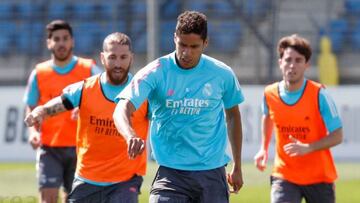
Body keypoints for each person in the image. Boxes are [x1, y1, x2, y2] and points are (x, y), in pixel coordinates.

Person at [113, 10, 244, 203]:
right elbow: (121, 108)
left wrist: (238, 166)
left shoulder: (222, 74)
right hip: (170, 174)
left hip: (212, 173)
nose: (186, 52)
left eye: (194, 46)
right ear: (174, 38)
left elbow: (233, 115)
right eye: (182, 44)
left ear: (205, 43)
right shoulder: (155, 71)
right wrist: (130, 135)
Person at [25, 32, 149, 203]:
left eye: (123, 57)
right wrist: (41, 111)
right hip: (87, 180)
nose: (118, 64)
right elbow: (60, 103)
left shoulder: (142, 92)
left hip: (125, 181)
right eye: (112, 57)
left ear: (131, 58)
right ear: (103, 58)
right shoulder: (85, 89)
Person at [254, 34, 343, 203]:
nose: (292, 65)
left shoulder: (319, 94)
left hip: (319, 177)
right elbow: (267, 117)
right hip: (284, 175)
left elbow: (337, 135)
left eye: (298, 60)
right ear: (280, 63)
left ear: (306, 64)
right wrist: (263, 149)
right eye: (288, 60)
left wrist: (308, 147)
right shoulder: (269, 93)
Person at [23, 20, 100, 203]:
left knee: (73, 199)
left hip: (81, 148)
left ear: (72, 41)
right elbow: (31, 105)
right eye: (56, 39)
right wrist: (33, 132)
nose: (61, 43)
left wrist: (85, 108)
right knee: (47, 197)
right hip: (49, 147)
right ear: (49, 43)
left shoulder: (88, 69)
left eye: (65, 38)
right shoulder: (39, 73)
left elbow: (103, 97)